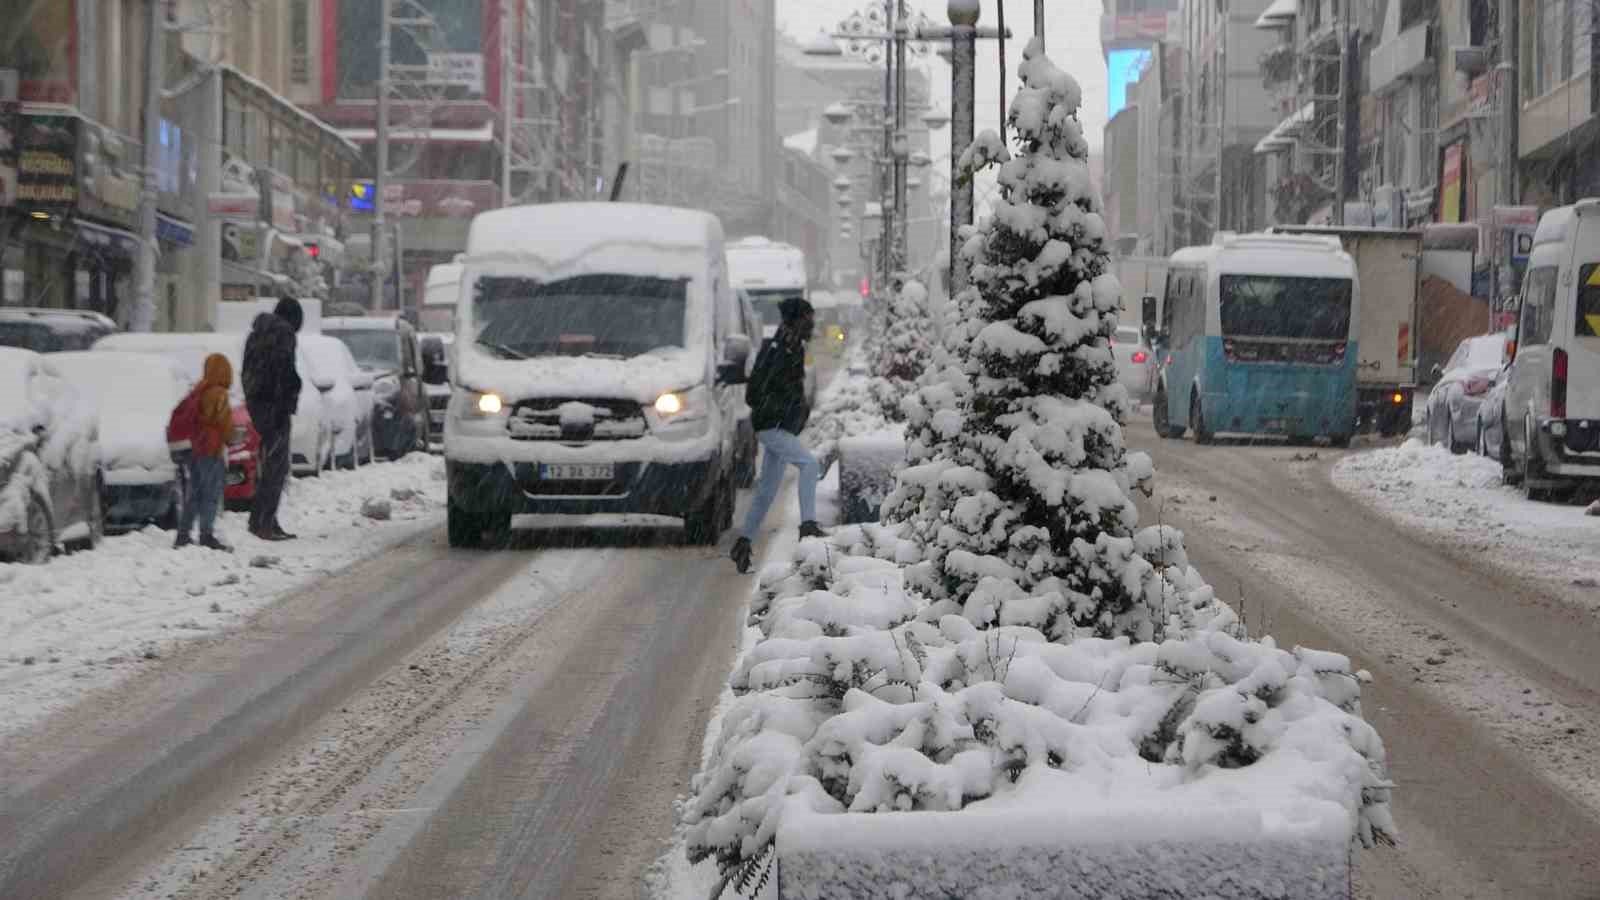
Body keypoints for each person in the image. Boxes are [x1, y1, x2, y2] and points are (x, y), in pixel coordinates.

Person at [730, 297, 824, 574]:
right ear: (795, 320)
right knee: (809, 464)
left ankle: (743, 543)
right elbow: (757, 391)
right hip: (771, 425)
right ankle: (807, 526)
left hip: (779, 425)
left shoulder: (791, 346)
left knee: (767, 490)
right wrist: (781, 409)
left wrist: (795, 410)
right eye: (808, 318)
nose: (812, 324)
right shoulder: (777, 349)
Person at [242, 297, 303, 541]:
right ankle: (264, 522)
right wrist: (289, 395)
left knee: (265, 465)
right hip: (275, 408)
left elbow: (250, 371)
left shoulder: (256, 334)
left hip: (257, 405)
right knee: (276, 467)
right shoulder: (284, 334)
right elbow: (284, 370)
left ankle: (261, 520)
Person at [174, 353, 235, 552]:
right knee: (211, 494)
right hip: (211, 448)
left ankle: (183, 534)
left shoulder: (200, 390)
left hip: (196, 448)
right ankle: (206, 534)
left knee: (195, 493)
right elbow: (224, 424)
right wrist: (231, 438)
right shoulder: (219, 394)